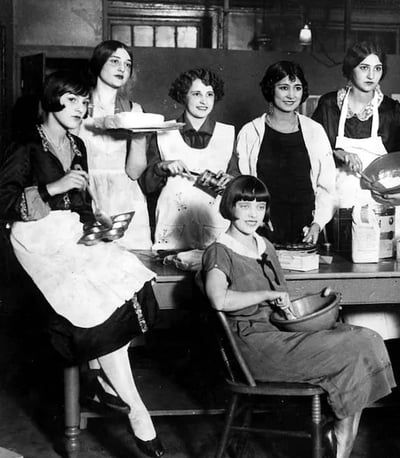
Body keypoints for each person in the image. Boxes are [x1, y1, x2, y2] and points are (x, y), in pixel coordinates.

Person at [0, 71, 164, 457]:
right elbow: (3, 203)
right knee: (91, 307)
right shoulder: (24, 147)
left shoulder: (76, 144)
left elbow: (81, 203)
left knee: (134, 282)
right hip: (36, 245)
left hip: (70, 237)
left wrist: (99, 225)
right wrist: (53, 189)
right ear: (52, 100)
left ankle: (113, 390)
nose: (79, 108)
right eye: (71, 100)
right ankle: (137, 414)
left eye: (83, 102)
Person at [201, 175, 396, 458]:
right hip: (253, 347)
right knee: (353, 349)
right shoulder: (219, 251)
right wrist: (265, 296)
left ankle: (341, 438)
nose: (253, 215)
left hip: (278, 334)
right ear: (230, 207)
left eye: (259, 207)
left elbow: (283, 302)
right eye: (245, 206)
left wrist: (323, 302)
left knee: (367, 338)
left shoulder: (264, 246)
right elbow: (218, 298)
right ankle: (341, 441)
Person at [312, 40, 400, 241]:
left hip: (384, 208)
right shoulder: (329, 105)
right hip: (339, 207)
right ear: (350, 69)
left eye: (377, 68)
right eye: (364, 67)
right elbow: (311, 151)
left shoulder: (392, 111)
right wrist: (338, 153)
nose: (371, 75)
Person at [233, 61, 335, 245]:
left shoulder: (315, 131)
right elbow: (243, 188)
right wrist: (255, 220)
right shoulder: (250, 132)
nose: (291, 95)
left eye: (297, 88)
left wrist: (317, 224)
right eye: (283, 88)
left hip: (306, 229)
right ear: (271, 89)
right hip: (261, 229)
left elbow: (327, 187)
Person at [139, 68, 235, 250]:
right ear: (184, 96)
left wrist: (231, 181)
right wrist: (161, 167)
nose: (204, 101)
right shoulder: (163, 133)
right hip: (172, 229)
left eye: (209, 94)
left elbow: (238, 184)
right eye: (197, 94)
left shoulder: (227, 134)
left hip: (216, 228)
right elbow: (146, 185)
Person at [76, 40, 152, 249]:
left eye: (127, 64)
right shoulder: (78, 106)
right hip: (87, 196)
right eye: (115, 61)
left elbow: (134, 172)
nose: (122, 68)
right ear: (98, 63)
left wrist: (139, 134)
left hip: (125, 198)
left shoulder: (133, 110)